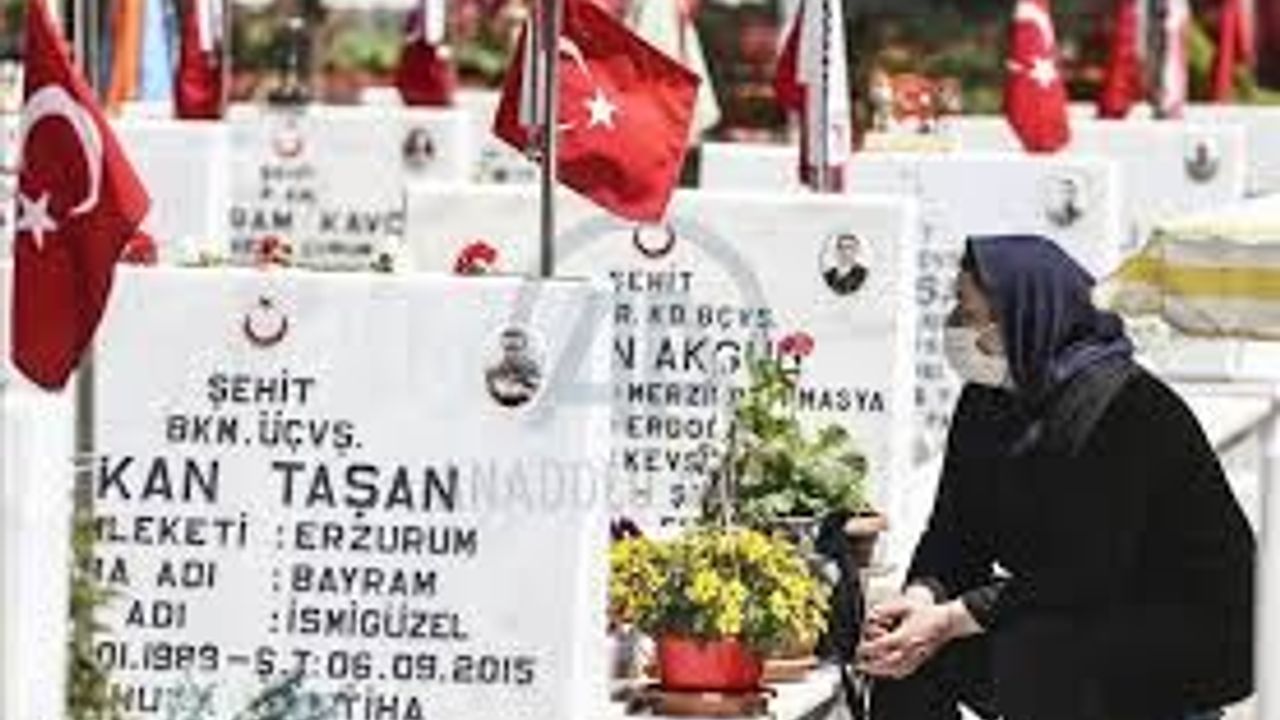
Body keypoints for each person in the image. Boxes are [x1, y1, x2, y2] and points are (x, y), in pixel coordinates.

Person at [859, 235, 1255, 720]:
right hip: (1061, 601)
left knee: (1034, 655)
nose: (956, 326)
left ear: (1023, 315)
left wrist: (949, 619)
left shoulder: (1124, 407)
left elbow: (1087, 569)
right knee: (902, 658)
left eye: (970, 312)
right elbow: (954, 530)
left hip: (1173, 619)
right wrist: (920, 602)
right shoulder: (988, 398)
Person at [485, 328, 541, 407]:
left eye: (516, 348)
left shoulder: (533, 372)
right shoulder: (492, 373)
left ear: (523, 347)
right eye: (509, 348)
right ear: (503, 348)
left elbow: (533, 392)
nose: (512, 353)